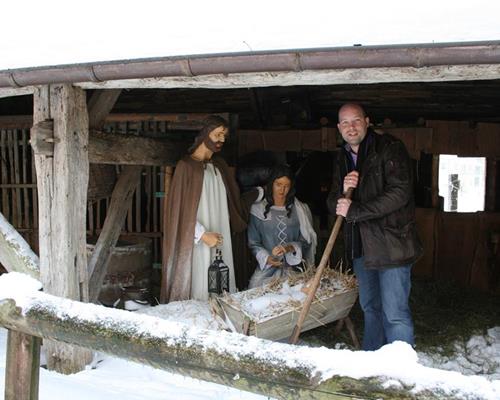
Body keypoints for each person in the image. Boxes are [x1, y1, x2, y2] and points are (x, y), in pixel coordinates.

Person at [327, 103, 423, 351]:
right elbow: (333, 203)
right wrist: (341, 194)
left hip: (392, 245)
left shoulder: (389, 148)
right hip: (361, 248)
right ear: (339, 128)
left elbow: (400, 193)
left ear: (367, 121)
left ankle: (402, 376)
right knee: (371, 309)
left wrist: (356, 210)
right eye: (345, 123)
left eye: (356, 120)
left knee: (395, 314)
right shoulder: (342, 157)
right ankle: (372, 368)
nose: (351, 127)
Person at [161, 115, 261, 302]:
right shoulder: (186, 167)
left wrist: (260, 193)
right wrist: (201, 235)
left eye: (224, 135)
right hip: (197, 242)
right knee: (200, 282)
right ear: (205, 134)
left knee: (221, 283)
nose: (222, 140)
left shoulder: (219, 166)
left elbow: (233, 201)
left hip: (220, 234)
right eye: (218, 134)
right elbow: (179, 211)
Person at [248, 165, 317, 288]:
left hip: (295, 270)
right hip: (267, 268)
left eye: (286, 186)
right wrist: (267, 258)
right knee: (255, 291)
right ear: (271, 184)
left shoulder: (300, 209)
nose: (282, 190)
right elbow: (253, 242)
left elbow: (307, 241)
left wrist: (290, 247)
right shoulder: (258, 209)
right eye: (278, 184)